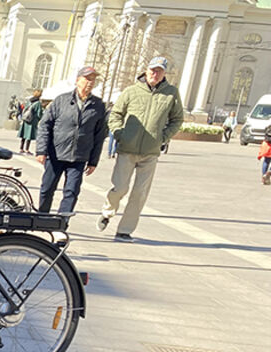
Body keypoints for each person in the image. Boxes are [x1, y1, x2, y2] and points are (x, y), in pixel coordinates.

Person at [99, 56, 184, 241]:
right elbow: (116, 115)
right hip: (127, 149)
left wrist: (163, 137)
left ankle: (125, 229)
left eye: (160, 71)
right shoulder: (131, 91)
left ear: (164, 74)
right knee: (120, 188)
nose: (155, 73)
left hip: (150, 152)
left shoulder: (171, 94)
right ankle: (107, 212)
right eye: (153, 69)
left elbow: (177, 119)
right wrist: (120, 134)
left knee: (140, 193)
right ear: (146, 70)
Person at [35, 66, 108, 215]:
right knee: (47, 188)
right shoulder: (61, 100)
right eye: (87, 78)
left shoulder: (98, 105)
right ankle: (42, 216)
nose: (90, 82)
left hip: (79, 156)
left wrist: (93, 161)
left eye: (93, 79)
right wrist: (41, 150)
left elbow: (99, 135)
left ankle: (61, 223)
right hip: (56, 153)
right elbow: (44, 125)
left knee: (72, 191)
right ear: (77, 80)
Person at [18, 89, 43, 154]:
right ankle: (27, 149)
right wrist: (40, 119)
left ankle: (21, 148)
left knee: (23, 135)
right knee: (29, 135)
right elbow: (39, 113)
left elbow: (24, 109)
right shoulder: (38, 103)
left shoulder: (29, 101)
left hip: (26, 119)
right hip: (32, 121)